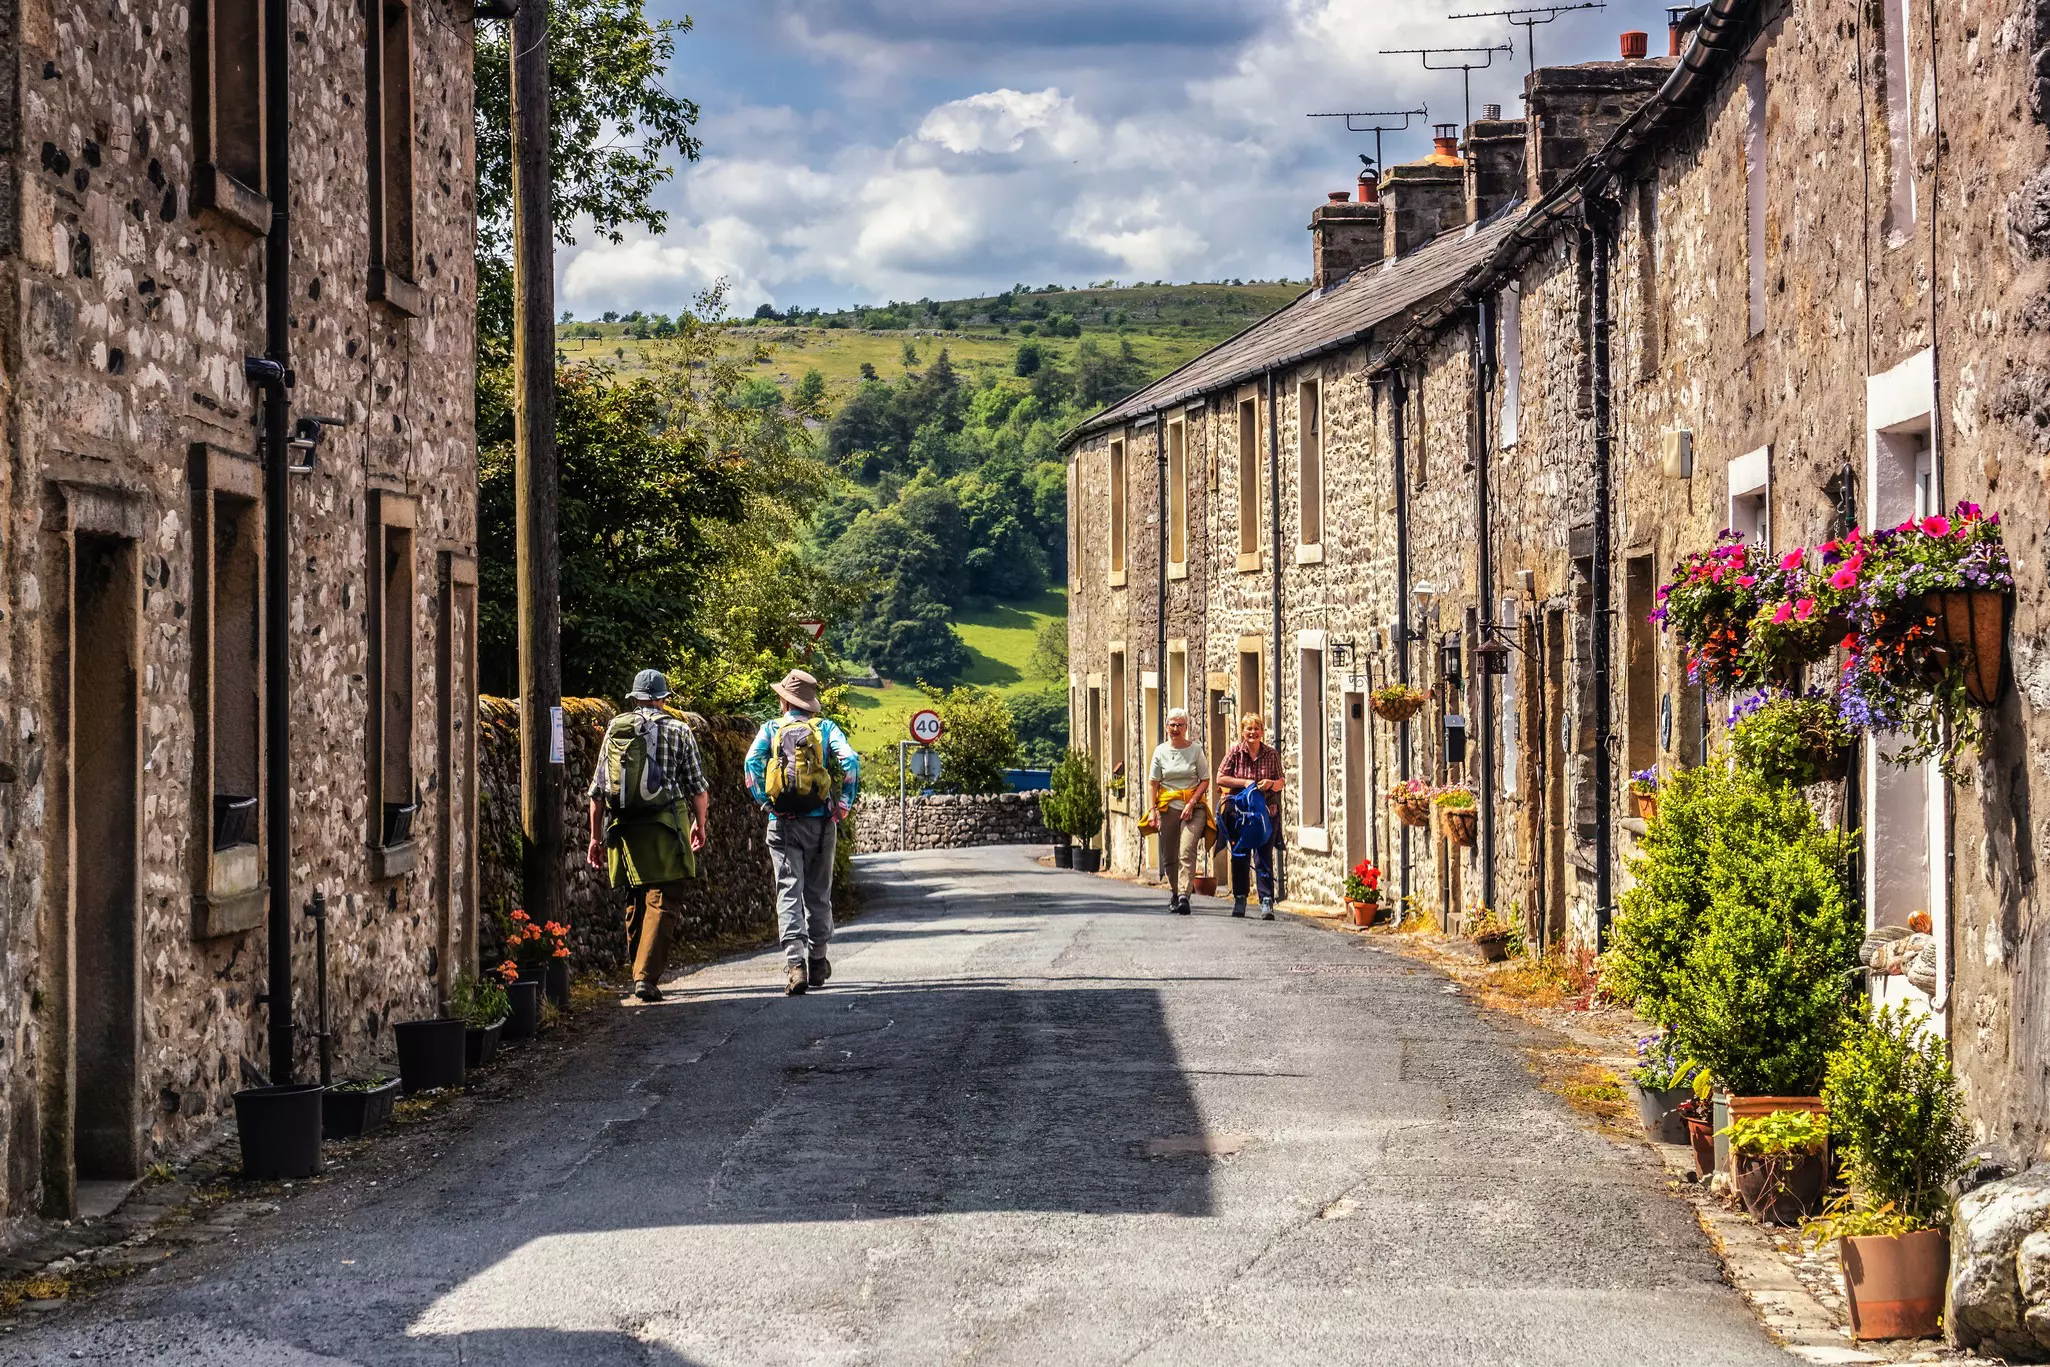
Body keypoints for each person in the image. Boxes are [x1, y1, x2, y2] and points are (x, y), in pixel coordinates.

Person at [586, 670, 710, 1003]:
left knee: (635, 897)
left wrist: (595, 837)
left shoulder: (616, 727)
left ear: (635, 697)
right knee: (665, 897)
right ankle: (645, 976)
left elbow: (597, 791)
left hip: (624, 827)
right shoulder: (679, 730)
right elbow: (697, 787)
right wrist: (700, 823)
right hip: (666, 825)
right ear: (663, 698)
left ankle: (638, 970)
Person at [745, 669, 860, 995]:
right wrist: (844, 804)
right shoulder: (824, 729)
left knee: (788, 891)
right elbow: (850, 760)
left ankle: (795, 966)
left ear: (784, 699)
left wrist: (766, 805)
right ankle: (818, 961)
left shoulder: (771, 728)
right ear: (810, 703)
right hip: (820, 824)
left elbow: (751, 763)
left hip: (782, 823)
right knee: (817, 893)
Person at [1215, 711, 1285, 919]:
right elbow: (1220, 777)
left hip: (1266, 813)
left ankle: (1266, 902)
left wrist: (1271, 784)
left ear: (1262, 732)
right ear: (1243, 732)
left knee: (1264, 856)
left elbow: (1281, 781)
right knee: (1240, 855)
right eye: (1249, 729)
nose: (1252, 733)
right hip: (1241, 814)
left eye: (1256, 729)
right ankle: (1240, 898)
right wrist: (1244, 783)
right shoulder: (1235, 752)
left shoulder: (1271, 754)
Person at [1145, 708, 1209, 915]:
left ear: (1186, 727)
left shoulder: (1196, 750)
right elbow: (1153, 784)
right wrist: (1152, 810)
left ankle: (1184, 895)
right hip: (1167, 807)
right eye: (1172, 724)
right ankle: (1175, 891)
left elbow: (1205, 780)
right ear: (1166, 727)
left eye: (1179, 725)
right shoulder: (1160, 752)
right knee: (1169, 855)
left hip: (1193, 807)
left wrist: (1191, 803)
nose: (1175, 729)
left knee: (1186, 850)